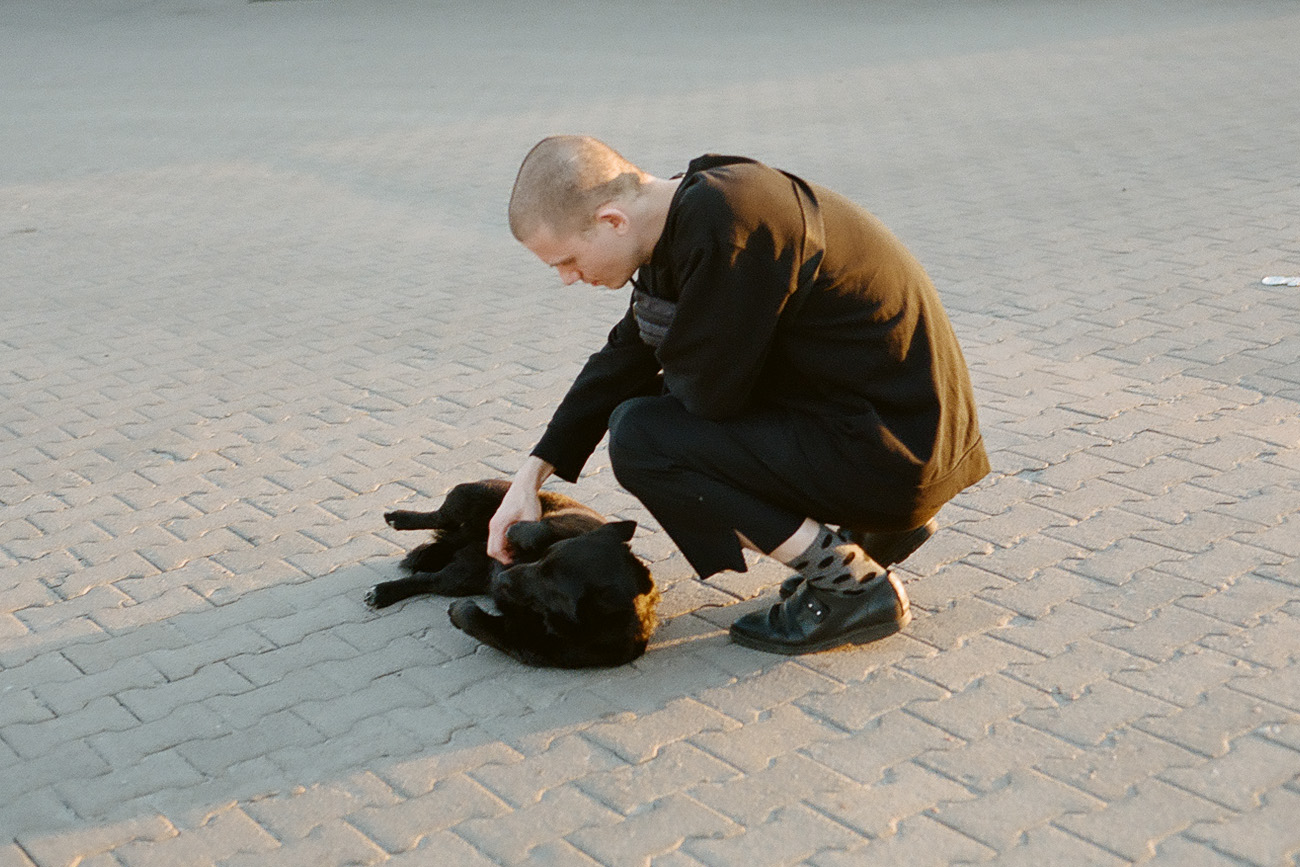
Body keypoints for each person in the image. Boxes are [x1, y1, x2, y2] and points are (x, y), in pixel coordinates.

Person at [486, 135, 989, 655]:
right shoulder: (697, 208)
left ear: (612, 221)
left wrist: (660, 369)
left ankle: (851, 588)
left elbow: (705, 400)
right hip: (892, 433)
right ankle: (872, 532)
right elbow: (625, 357)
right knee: (647, 416)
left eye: (566, 260)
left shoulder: (731, 231)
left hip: (897, 454)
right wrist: (528, 480)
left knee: (645, 439)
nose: (569, 279)